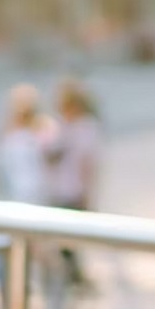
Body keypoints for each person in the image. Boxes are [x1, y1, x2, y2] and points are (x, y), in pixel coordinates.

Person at [42, 78, 102, 293]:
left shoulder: (85, 127)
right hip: (60, 188)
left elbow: (88, 163)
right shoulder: (58, 126)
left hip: (73, 189)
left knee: (70, 236)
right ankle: (69, 273)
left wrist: (87, 190)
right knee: (64, 235)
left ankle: (71, 273)